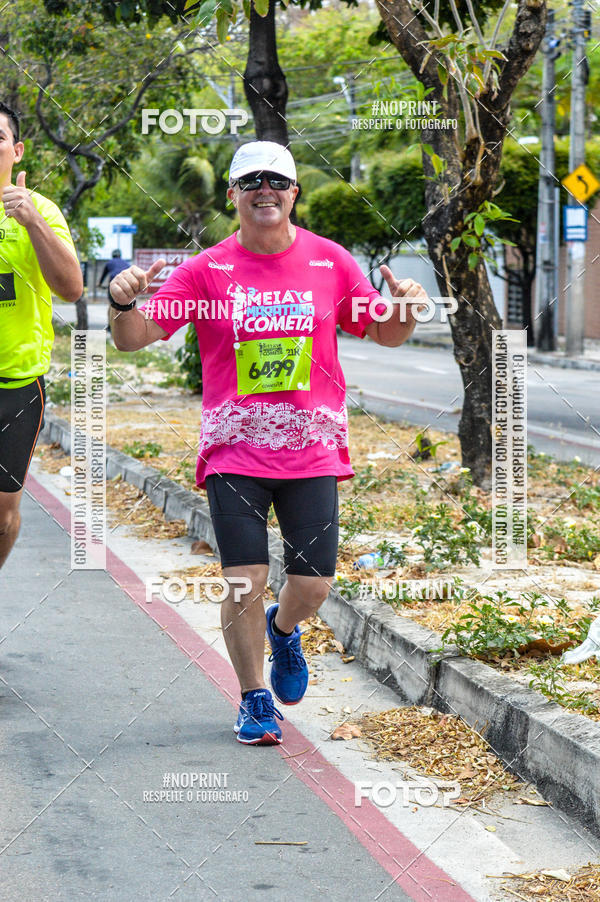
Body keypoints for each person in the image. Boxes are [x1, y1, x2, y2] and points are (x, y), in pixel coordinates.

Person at [109, 141, 426, 745]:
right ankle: (254, 698)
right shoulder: (205, 271)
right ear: (233, 194)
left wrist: (408, 309)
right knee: (244, 578)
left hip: (311, 448)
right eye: (251, 180)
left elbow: (384, 331)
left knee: (313, 586)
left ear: (294, 193)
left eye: (277, 181)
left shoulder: (330, 261)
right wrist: (123, 301)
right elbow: (133, 337)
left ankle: (283, 629)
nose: (265, 190)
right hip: (235, 451)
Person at [0, 101, 82, 569]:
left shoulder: (41, 210)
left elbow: (71, 289)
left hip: (17, 387)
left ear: (17, 150)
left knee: (2, 517)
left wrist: (31, 222)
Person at [98, 249, 130, 332]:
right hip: (126, 286)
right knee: (126, 305)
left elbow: (103, 275)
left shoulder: (109, 262)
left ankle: (110, 326)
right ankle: (125, 326)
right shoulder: (126, 263)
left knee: (112, 305)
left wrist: (100, 284)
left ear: (112, 255)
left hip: (114, 285)